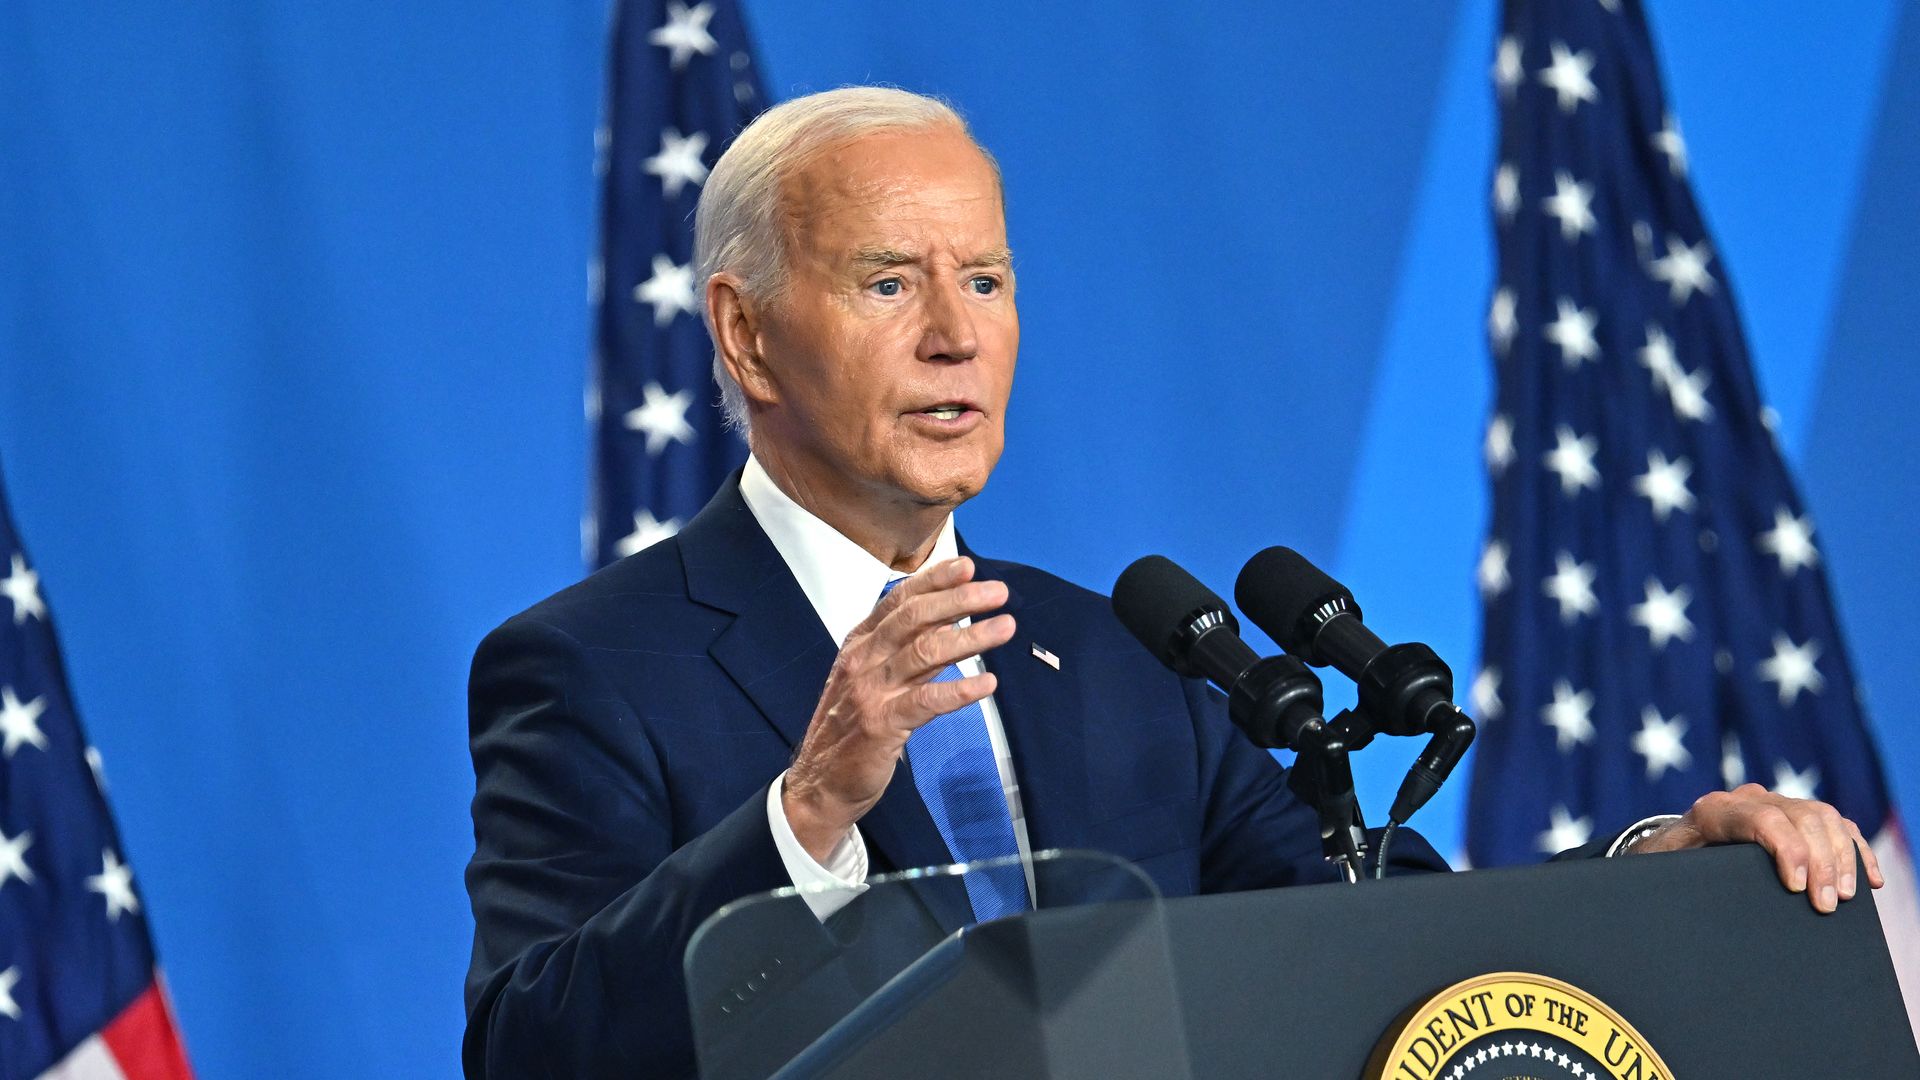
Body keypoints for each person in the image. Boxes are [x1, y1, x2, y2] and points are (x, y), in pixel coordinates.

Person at [462, 87, 1883, 1079]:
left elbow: (1375, 943)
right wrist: (808, 811)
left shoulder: (1118, 654)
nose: (958, 335)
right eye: (891, 283)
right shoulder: (592, 667)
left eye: (991, 281)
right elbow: (530, 1051)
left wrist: (1657, 884)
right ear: (749, 338)